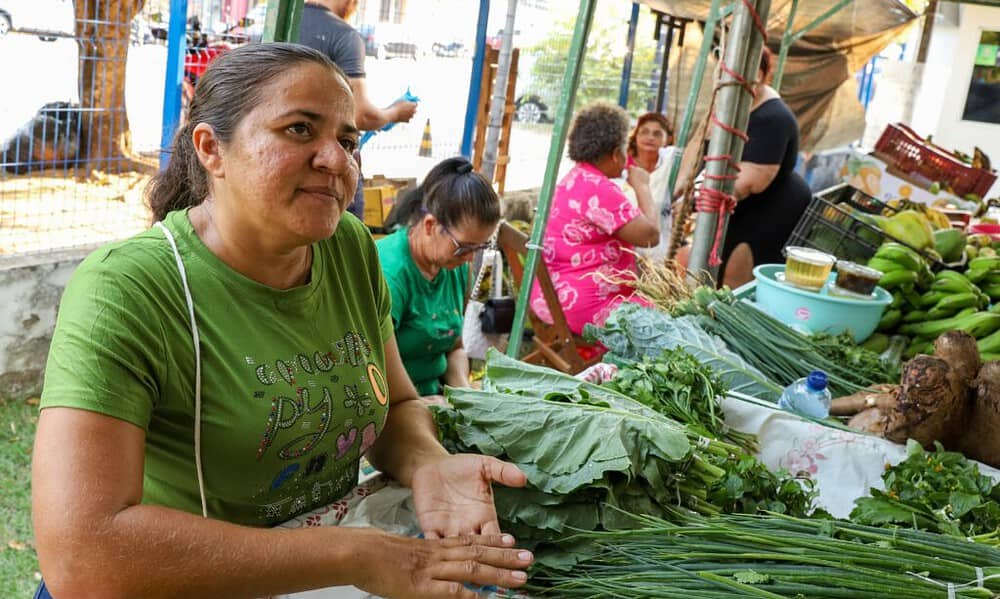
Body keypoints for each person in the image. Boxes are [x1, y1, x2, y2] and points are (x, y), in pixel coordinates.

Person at [31, 43, 532, 599]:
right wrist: (352, 555)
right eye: (299, 129)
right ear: (211, 150)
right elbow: (83, 555)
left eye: (347, 139)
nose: (338, 159)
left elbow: (396, 406)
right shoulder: (129, 290)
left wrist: (430, 464)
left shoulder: (348, 246)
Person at [529, 101, 658, 336]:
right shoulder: (599, 190)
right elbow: (650, 236)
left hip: (549, 297)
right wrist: (643, 187)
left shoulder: (575, 178)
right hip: (583, 308)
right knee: (666, 324)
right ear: (614, 153)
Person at [376, 157, 499, 396]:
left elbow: (454, 348)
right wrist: (424, 407)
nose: (470, 258)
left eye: (479, 248)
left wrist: (465, 395)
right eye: (464, 247)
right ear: (431, 225)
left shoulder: (453, 264)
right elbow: (370, 369)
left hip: (433, 397)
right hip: (390, 405)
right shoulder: (389, 274)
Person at [298, 0, 418, 219]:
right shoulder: (343, 35)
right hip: (330, 167)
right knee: (343, 235)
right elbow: (359, 115)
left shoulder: (281, 24)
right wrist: (395, 113)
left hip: (289, 161)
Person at [720, 46, 811, 288]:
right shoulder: (736, 106)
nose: (721, 78)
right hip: (745, 207)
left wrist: (706, 196)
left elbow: (750, 182)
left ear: (757, 75)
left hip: (771, 208)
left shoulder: (772, 118)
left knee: (738, 273)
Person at [626, 111, 679, 259]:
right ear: (635, 136)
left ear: (667, 139)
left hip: (658, 246)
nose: (650, 138)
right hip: (625, 244)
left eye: (657, 134)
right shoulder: (621, 164)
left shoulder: (669, 164)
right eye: (644, 132)